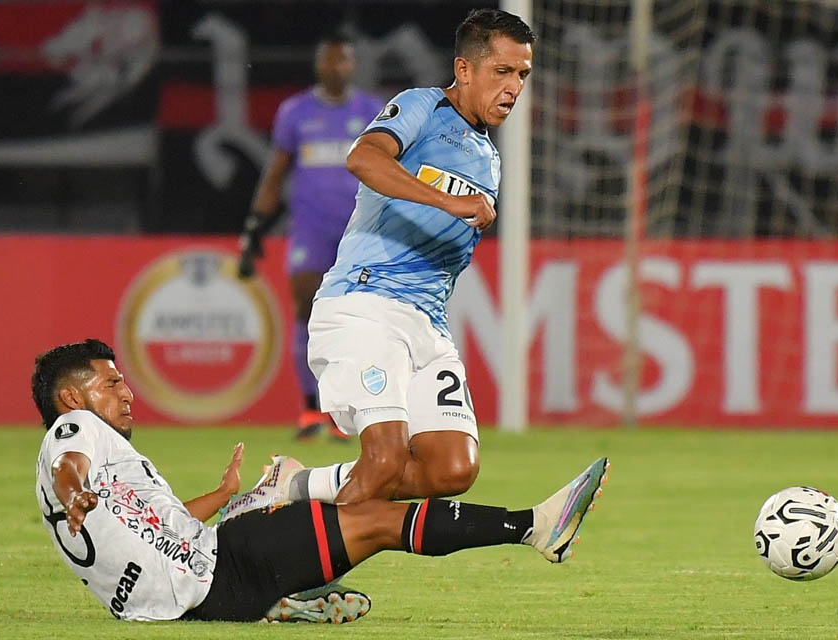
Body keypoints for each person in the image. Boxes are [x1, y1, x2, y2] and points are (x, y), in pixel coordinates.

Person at [32, 339, 608, 623]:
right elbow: (69, 468)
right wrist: (74, 490)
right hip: (218, 574)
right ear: (73, 398)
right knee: (378, 518)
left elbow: (156, 525)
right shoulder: (73, 433)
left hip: (196, 586)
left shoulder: (95, 454)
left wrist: (221, 496)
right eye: (112, 385)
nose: (128, 392)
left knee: (330, 515)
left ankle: (286, 584)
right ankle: (533, 527)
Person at [223, 8, 535, 518]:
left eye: (522, 74)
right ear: (464, 70)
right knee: (386, 459)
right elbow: (363, 159)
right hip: (366, 305)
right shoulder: (422, 107)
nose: (514, 86)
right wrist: (447, 201)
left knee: (452, 468)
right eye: (502, 71)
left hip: (428, 325)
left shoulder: (489, 158)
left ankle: (295, 486)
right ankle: (299, 581)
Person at [238, 30, 385, 441]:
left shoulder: (372, 112)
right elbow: (276, 172)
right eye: (330, 60)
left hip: (360, 229)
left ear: (352, 66)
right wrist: (254, 227)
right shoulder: (295, 112)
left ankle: (347, 410)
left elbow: (389, 171)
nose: (337, 67)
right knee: (306, 308)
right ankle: (309, 409)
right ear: (319, 64)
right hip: (311, 229)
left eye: (344, 60)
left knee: (359, 318)